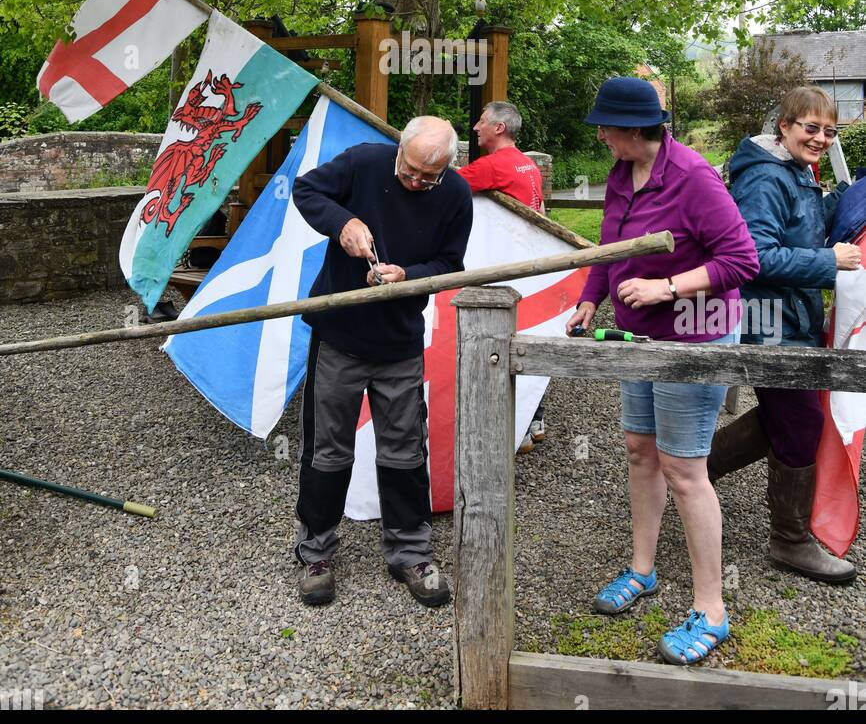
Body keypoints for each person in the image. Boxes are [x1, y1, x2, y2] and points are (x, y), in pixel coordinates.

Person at [566, 77, 760, 666]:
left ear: (635, 129)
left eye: (606, 127)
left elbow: (741, 260)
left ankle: (712, 611)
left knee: (683, 468)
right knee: (638, 449)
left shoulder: (694, 177)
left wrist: (667, 286)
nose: (600, 135)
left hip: (695, 335)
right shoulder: (623, 174)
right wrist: (589, 297)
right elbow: (611, 245)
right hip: (639, 334)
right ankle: (643, 569)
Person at [291, 116, 472, 609]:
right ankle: (316, 552)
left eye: (426, 178)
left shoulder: (455, 195)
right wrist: (342, 222)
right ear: (399, 151)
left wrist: (408, 274)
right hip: (340, 335)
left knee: (404, 450)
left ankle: (409, 551)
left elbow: (451, 265)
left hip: (399, 343)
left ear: (447, 168)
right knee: (328, 450)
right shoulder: (366, 161)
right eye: (409, 171)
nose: (415, 183)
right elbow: (306, 192)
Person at [709, 86, 860, 583]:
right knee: (799, 425)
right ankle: (789, 542)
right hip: (767, 321)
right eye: (809, 128)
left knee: (786, 417)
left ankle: (687, 470)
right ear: (785, 126)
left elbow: (801, 228)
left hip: (790, 318)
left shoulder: (798, 173)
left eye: (828, 132)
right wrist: (828, 261)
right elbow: (751, 256)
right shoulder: (766, 179)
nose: (819, 138)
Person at [457, 101, 547, 451]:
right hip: (527, 261)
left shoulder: (494, 165)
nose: (476, 127)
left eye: (482, 122)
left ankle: (519, 427)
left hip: (504, 265)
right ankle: (535, 421)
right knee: (527, 333)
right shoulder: (527, 164)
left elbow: (443, 187)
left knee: (504, 343)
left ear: (498, 128)